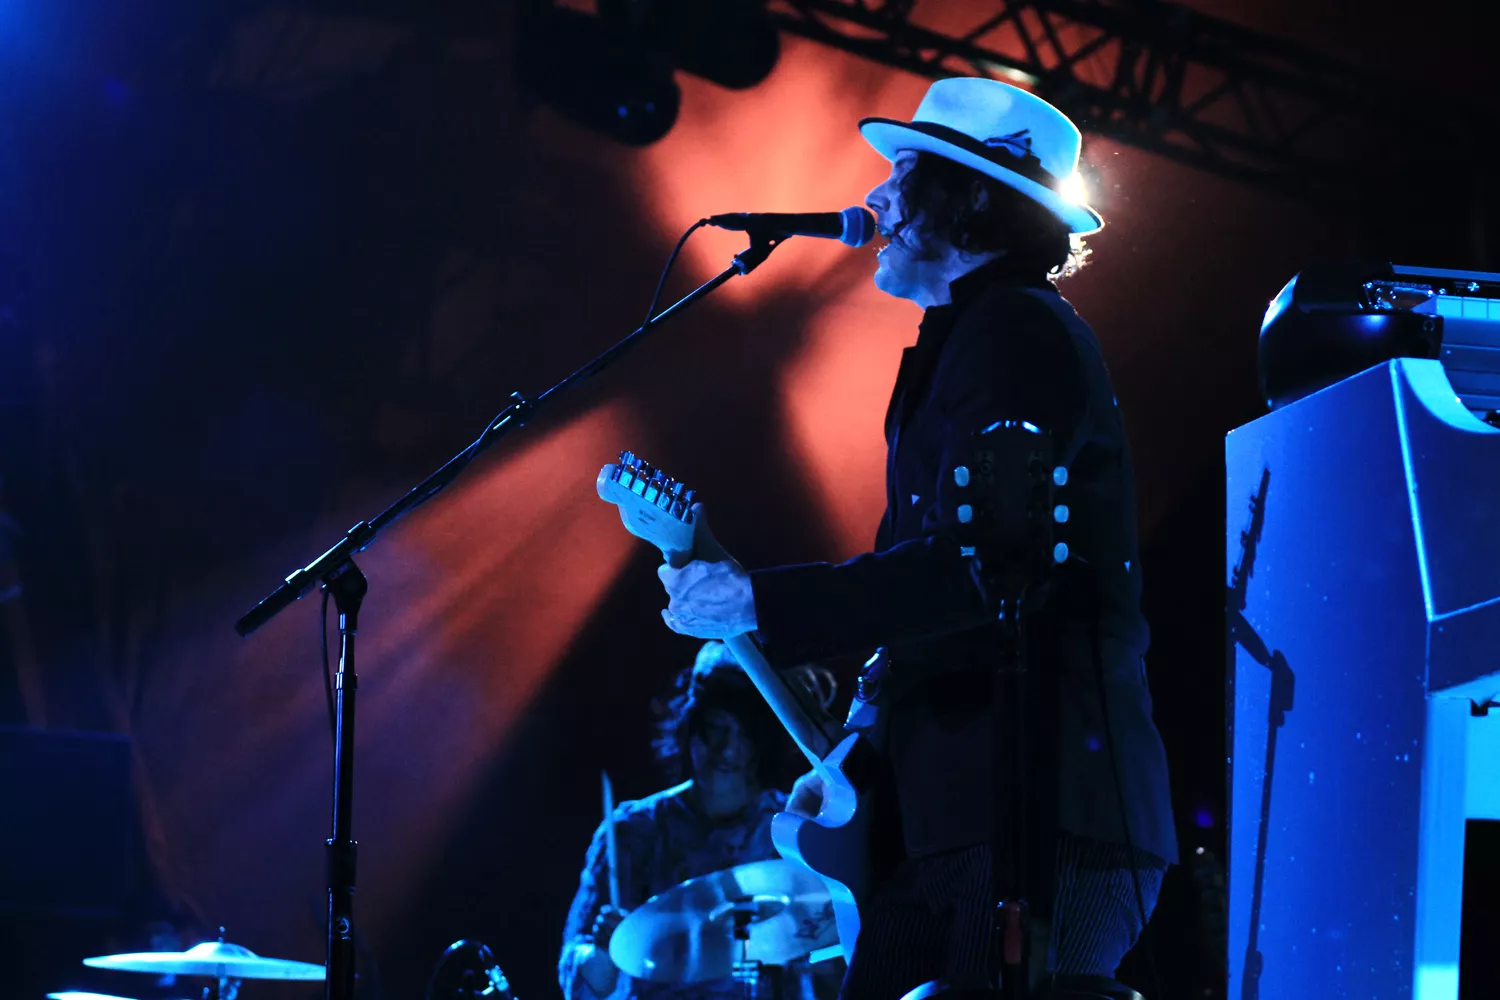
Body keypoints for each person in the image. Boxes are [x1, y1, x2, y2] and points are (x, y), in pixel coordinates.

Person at [653, 78, 1178, 999]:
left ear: (973, 197)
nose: (877, 201)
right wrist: (861, 742)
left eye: (902, 173)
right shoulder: (963, 343)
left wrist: (760, 600)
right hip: (949, 818)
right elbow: (931, 593)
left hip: (1043, 809)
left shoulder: (1016, 330)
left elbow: (982, 568)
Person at [559, 641, 842, 1000]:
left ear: (765, 745)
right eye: (715, 729)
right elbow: (575, 978)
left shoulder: (793, 827)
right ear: (690, 728)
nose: (726, 750)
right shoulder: (633, 830)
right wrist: (601, 955)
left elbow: (836, 947)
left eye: (745, 737)